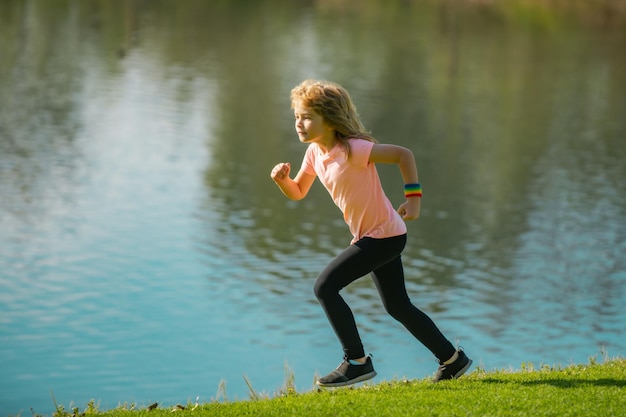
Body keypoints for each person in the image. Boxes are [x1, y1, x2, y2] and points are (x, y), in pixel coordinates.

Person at [270, 79, 472, 387]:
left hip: (384, 236)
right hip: (377, 235)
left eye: (307, 117)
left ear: (330, 119)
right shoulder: (314, 153)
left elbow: (403, 155)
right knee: (398, 306)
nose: (299, 123)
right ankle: (452, 360)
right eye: (296, 116)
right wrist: (282, 180)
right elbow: (298, 192)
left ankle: (357, 362)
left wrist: (413, 200)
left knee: (325, 287)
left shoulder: (353, 150)